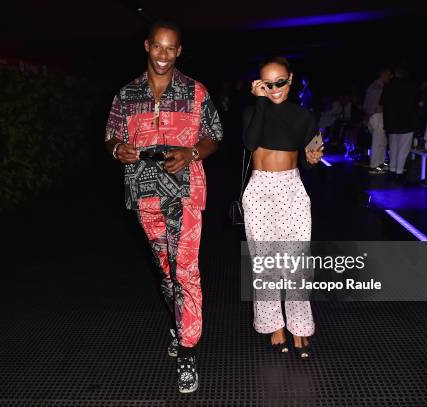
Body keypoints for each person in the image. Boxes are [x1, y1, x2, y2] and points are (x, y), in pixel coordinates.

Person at [104, 20, 223, 393]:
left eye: (171, 48)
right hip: (144, 193)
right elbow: (111, 134)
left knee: (186, 269)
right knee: (166, 270)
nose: (163, 55)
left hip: (185, 189)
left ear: (179, 51)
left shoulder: (195, 91)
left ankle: (188, 351)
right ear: (146, 46)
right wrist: (115, 149)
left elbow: (214, 136)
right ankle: (179, 320)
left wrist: (192, 152)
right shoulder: (126, 95)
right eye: (158, 47)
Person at [242, 56, 323, 359]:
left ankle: (300, 326)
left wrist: (314, 157)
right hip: (260, 188)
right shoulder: (252, 111)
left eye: (279, 82)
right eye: (267, 83)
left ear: (290, 80)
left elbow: (313, 152)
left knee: (296, 261)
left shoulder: (304, 116)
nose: (274, 88)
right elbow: (251, 143)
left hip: (291, 188)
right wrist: (261, 102)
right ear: (258, 85)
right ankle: (273, 325)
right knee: (265, 262)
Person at [380, 66, 418, 179]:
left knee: (393, 148)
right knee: (403, 149)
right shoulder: (411, 86)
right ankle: (399, 172)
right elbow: (414, 105)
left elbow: (383, 104)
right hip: (407, 122)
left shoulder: (388, 86)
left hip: (392, 123)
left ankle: (392, 169)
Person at [363, 67, 393, 174]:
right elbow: (373, 105)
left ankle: (379, 164)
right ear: (383, 74)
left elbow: (367, 105)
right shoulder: (377, 88)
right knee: (378, 142)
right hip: (377, 116)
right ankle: (374, 166)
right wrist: (368, 116)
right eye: (389, 74)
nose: (390, 76)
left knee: (381, 141)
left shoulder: (376, 86)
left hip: (377, 116)